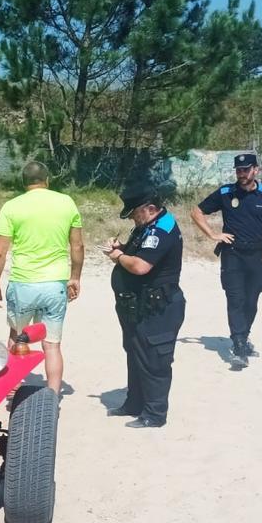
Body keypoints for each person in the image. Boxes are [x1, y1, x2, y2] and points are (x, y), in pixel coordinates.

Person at [0, 161, 84, 394]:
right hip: (55, 284)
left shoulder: (12, 206)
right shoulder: (66, 203)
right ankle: (52, 395)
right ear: (47, 180)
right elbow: (78, 246)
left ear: (23, 183)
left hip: (24, 282)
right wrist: (75, 277)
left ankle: (12, 386)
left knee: (16, 337)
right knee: (52, 345)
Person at [102, 177, 186, 429]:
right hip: (138, 307)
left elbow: (140, 265)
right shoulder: (147, 225)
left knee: (155, 360)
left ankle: (155, 413)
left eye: (134, 213)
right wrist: (124, 247)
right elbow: (138, 251)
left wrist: (118, 257)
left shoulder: (163, 228)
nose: (131, 219)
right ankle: (134, 402)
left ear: (149, 208)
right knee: (136, 354)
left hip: (159, 308)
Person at [190, 153, 262, 370]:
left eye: (246, 169)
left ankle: (244, 335)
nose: (241, 174)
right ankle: (239, 344)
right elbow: (196, 212)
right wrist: (212, 234)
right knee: (235, 298)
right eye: (238, 170)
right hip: (232, 254)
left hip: (258, 254)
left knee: (252, 299)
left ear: (256, 170)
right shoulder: (225, 193)